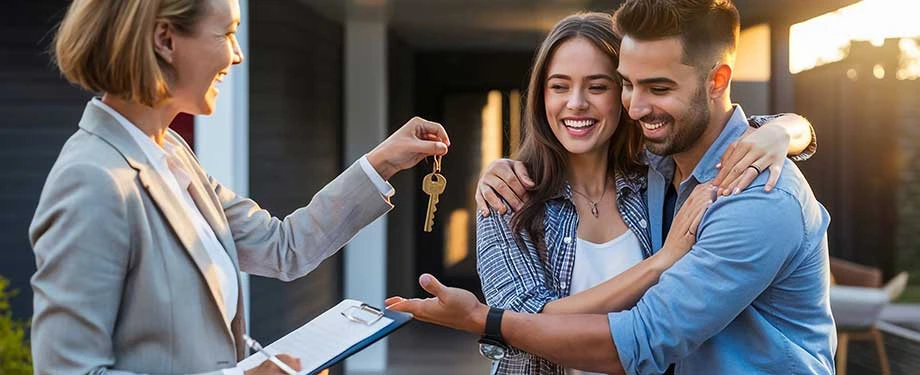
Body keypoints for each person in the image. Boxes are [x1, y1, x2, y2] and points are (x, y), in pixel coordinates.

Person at [387, 1, 835, 374]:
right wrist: (663, 260)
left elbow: (643, 340)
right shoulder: (654, 173)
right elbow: (531, 320)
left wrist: (788, 130)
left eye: (602, 86)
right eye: (628, 85)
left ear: (717, 81)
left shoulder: (735, 191)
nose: (637, 106)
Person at [29, 0, 449, 374]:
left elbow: (283, 248)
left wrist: (383, 161)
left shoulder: (171, 152)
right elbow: (68, 369)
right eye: (228, 33)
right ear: (165, 39)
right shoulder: (92, 179)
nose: (238, 55)